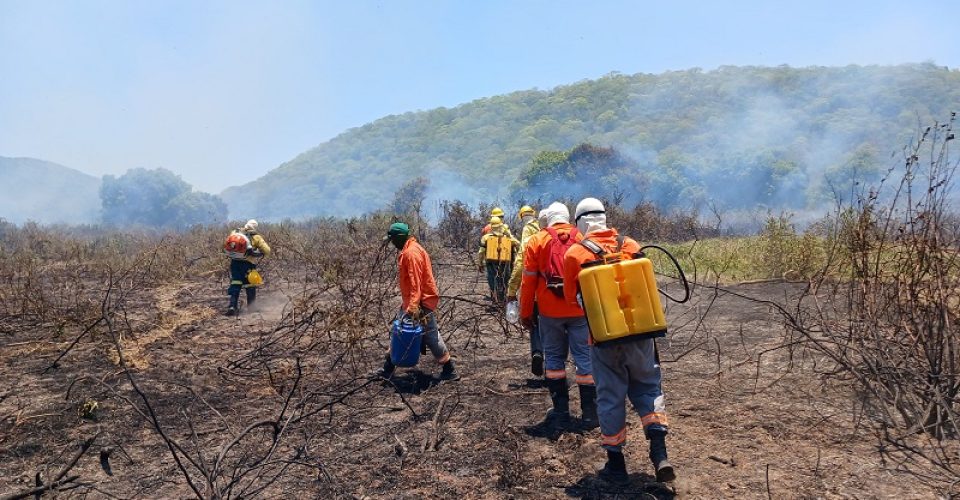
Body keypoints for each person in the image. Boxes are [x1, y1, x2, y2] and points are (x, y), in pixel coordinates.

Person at [562, 198, 675, 484]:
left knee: (611, 398)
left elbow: (569, 299)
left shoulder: (575, 254)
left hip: (603, 340)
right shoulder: (631, 245)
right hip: (641, 336)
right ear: (604, 217)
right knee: (648, 389)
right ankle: (660, 455)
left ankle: (616, 464)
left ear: (581, 224)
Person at [519, 202, 597, 433]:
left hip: (549, 311)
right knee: (585, 359)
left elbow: (528, 281)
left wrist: (525, 313)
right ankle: (590, 415)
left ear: (548, 219)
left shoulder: (537, 240)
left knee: (553, 361)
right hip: (579, 310)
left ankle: (561, 414)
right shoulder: (582, 236)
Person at [379, 222, 459, 381]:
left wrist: (413, 307)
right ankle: (387, 368)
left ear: (400, 238)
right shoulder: (410, 249)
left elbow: (416, 284)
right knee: (399, 330)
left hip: (420, 303)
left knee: (429, 335)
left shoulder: (411, 253)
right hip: (414, 302)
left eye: (393, 239)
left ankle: (449, 369)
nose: (392, 243)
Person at [506, 205, 544, 376]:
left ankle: (537, 351)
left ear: (522, 217)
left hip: (536, 289)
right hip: (558, 289)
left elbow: (522, 259)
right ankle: (554, 361)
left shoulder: (528, 231)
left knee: (535, 323)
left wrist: (511, 289)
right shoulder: (547, 228)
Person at [225, 219, 270, 316]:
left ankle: (232, 306)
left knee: (235, 283)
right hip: (248, 264)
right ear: (255, 227)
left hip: (235, 263)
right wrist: (258, 253)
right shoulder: (256, 237)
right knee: (250, 284)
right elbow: (267, 250)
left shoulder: (234, 232)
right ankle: (251, 307)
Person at [478, 216, 519, 304]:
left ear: (491, 226)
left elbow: (481, 252)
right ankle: (506, 299)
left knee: (492, 279)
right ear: (501, 225)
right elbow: (518, 244)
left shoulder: (485, 237)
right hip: (505, 263)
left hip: (490, 263)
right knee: (506, 280)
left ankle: (494, 298)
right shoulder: (508, 238)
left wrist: (480, 263)